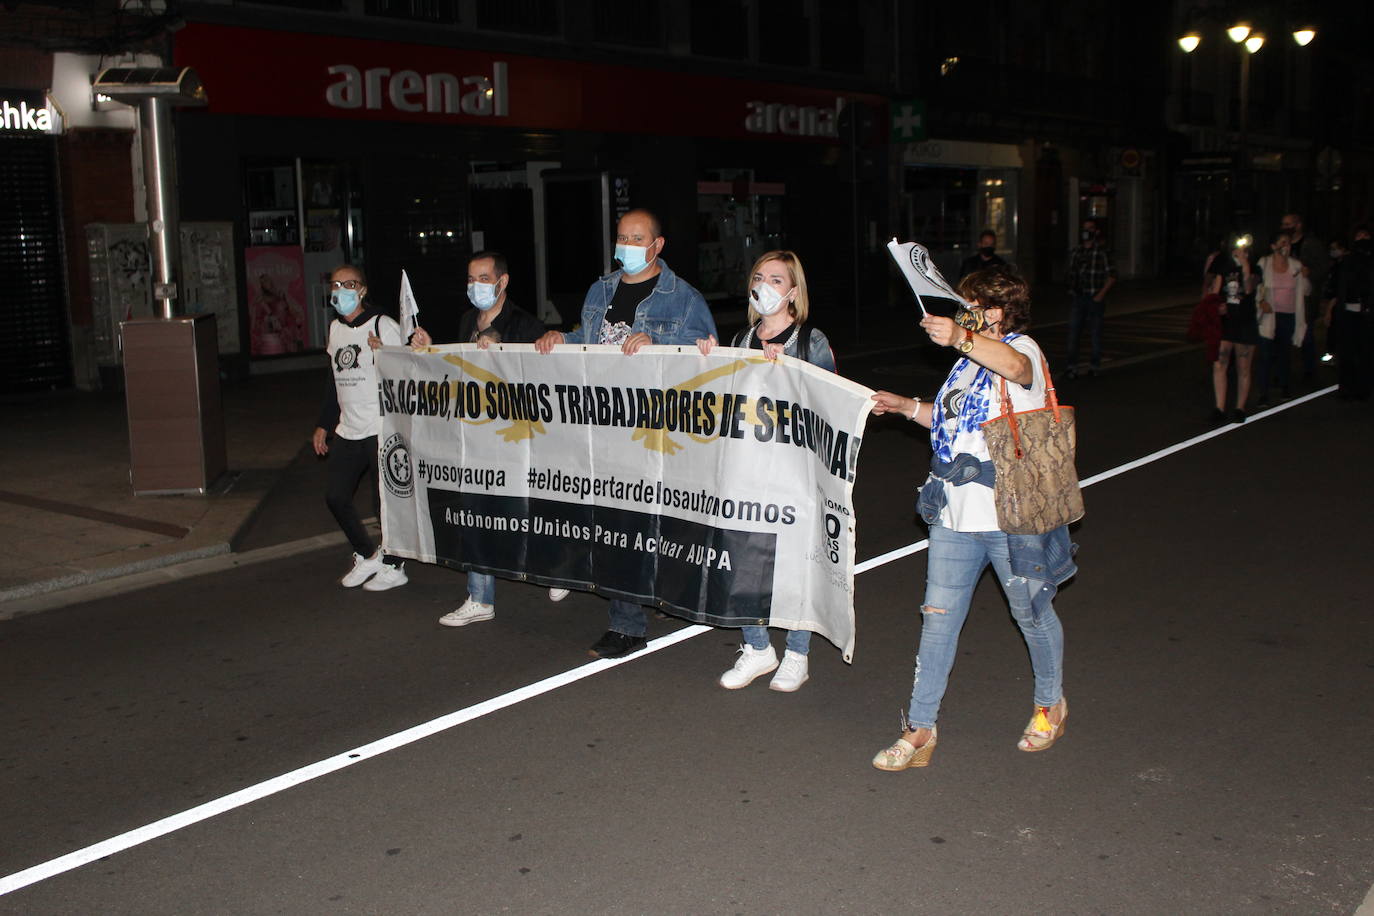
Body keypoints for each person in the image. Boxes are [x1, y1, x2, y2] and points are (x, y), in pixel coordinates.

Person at [867, 267, 1074, 771]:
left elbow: (1018, 371)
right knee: (937, 621)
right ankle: (920, 728)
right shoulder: (964, 366)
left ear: (995, 310)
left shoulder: (1022, 351)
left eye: (970, 304)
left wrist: (963, 336)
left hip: (1010, 515)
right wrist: (905, 406)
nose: (961, 310)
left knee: (1030, 612)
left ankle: (1050, 704)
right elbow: (947, 420)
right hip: (954, 514)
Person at [534, 208, 718, 659]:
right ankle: (627, 623)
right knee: (618, 524)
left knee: (660, 525)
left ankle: (655, 599)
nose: (627, 247)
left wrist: (662, 347)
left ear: (657, 247)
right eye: (622, 238)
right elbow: (591, 342)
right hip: (606, 426)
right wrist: (562, 339)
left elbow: (709, 363)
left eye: (638, 239)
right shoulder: (601, 289)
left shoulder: (684, 299)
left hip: (656, 432)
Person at [382, 251, 550, 626]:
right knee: (475, 513)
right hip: (474, 439)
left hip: (514, 439)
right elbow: (456, 370)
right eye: (471, 279)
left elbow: (543, 379)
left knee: (526, 514)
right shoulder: (464, 322)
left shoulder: (525, 325)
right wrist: (430, 349)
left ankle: (554, 564)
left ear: (502, 282)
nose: (476, 286)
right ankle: (480, 597)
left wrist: (503, 348)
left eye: (484, 278)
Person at [695, 250, 836, 692]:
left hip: (795, 477)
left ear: (794, 290)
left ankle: (797, 653)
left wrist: (790, 373)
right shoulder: (740, 340)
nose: (765, 285)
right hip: (748, 473)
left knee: (795, 564)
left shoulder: (811, 340)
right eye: (759, 276)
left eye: (777, 279)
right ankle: (757, 647)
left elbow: (834, 405)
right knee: (744, 559)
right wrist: (707, 363)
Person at [312, 264, 408, 591]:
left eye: (348, 284)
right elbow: (333, 381)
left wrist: (385, 354)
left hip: (380, 426)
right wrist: (323, 425)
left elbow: (407, 369)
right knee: (336, 496)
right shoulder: (336, 329)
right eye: (335, 284)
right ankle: (367, 554)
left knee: (384, 502)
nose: (340, 291)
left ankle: (394, 565)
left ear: (362, 289)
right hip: (348, 428)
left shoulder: (384, 324)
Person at [1204, 239, 1258, 423]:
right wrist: (1218, 305)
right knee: (1220, 362)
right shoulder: (1224, 269)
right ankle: (1219, 407)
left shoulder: (1255, 268)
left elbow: (1249, 288)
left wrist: (1244, 266)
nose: (1238, 252)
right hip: (1226, 323)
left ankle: (1239, 407)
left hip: (1245, 322)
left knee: (1243, 366)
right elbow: (1215, 293)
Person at [1254, 231, 1309, 407]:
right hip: (1270, 315)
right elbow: (1257, 286)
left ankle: (1285, 386)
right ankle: (1263, 392)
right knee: (1265, 354)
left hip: (1289, 315)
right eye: (1282, 242)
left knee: (1284, 352)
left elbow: (1306, 290)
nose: (1286, 246)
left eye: (1288, 243)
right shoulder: (1264, 263)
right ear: (1273, 246)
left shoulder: (1295, 265)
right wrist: (1260, 301)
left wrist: (1306, 276)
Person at [1063, 218, 1116, 378]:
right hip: (1079, 297)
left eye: (1090, 229)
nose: (1086, 232)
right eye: (1084, 229)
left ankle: (1094, 366)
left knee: (1095, 333)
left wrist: (1100, 295)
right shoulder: (1077, 251)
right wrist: (1071, 289)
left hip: (1094, 298)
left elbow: (1113, 275)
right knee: (1073, 333)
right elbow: (1070, 273)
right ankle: (1071, 367)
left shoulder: (1102, 252)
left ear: (1096, 231)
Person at [1280, 213, 1326, 379]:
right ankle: (1282, 371)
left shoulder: (1311, 244)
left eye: (1288, 224)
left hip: (1304, 297)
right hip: (1284, 296)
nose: (1285, 227)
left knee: (1306, 333)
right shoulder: (1281, 244)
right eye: (1283, 224)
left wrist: (1310, 273)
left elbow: (1323, 268)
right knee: (1282, 334)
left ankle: (1309, 370)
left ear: (1298, 225)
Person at [1330, 228, 1373, 399]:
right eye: (1359, 236)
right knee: (1347, 351)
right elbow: (1340, 287)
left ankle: (1363, 388)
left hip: (1366, 315)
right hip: (1348, 312)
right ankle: (1346, 387)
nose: (1362, 240)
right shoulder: (1347, 262)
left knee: (1365, 352)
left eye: (1366, 236)